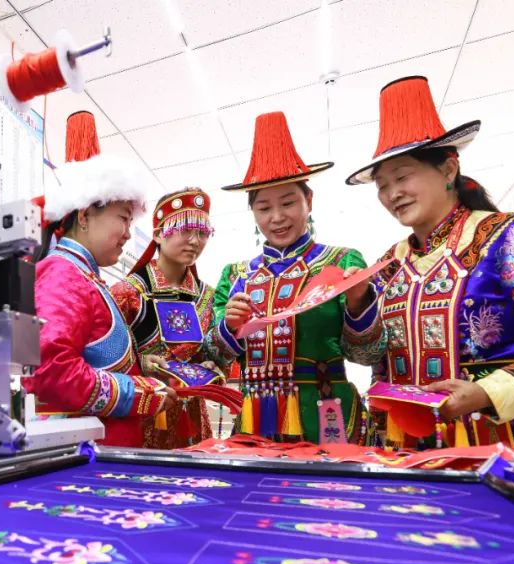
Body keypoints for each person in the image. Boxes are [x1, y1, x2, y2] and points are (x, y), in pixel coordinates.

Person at [346, 75, 514, 494]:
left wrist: (487, 392)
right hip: (409, 458)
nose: (393, 194)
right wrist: (358, 306)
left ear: (448, 168)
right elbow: (367, 356)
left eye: (403, 177)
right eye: (382, 186)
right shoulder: (388, 264)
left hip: (512, 454)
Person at [209, 112, 384, 444]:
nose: (277, 217)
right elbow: (216, 355)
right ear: (253, 213)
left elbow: (368, 355)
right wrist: (229, 327)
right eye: (264, 208)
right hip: (256, 418)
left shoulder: (342, 262)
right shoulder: (235, 276)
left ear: (309, 201)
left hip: (327, 414)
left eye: (288, 202)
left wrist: (359, 302)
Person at [24, 112, 175, 447]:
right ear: (84, 216)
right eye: (123, 218)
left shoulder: (83, 276)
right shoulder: (63, 273)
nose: (128, 233)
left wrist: (140, 368)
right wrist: (138, 393)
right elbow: (51, 372)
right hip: (90, 457)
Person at [111, 187, 227, 448]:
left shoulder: (208, 296)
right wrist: (140, 363)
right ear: (157, 234)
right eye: (185, 230)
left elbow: (212, 355)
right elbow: (104, 360)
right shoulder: (128, 293)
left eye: (202, 232)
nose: (195, 241)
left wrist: (210, 365)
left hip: (193, 418)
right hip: (143, 414)